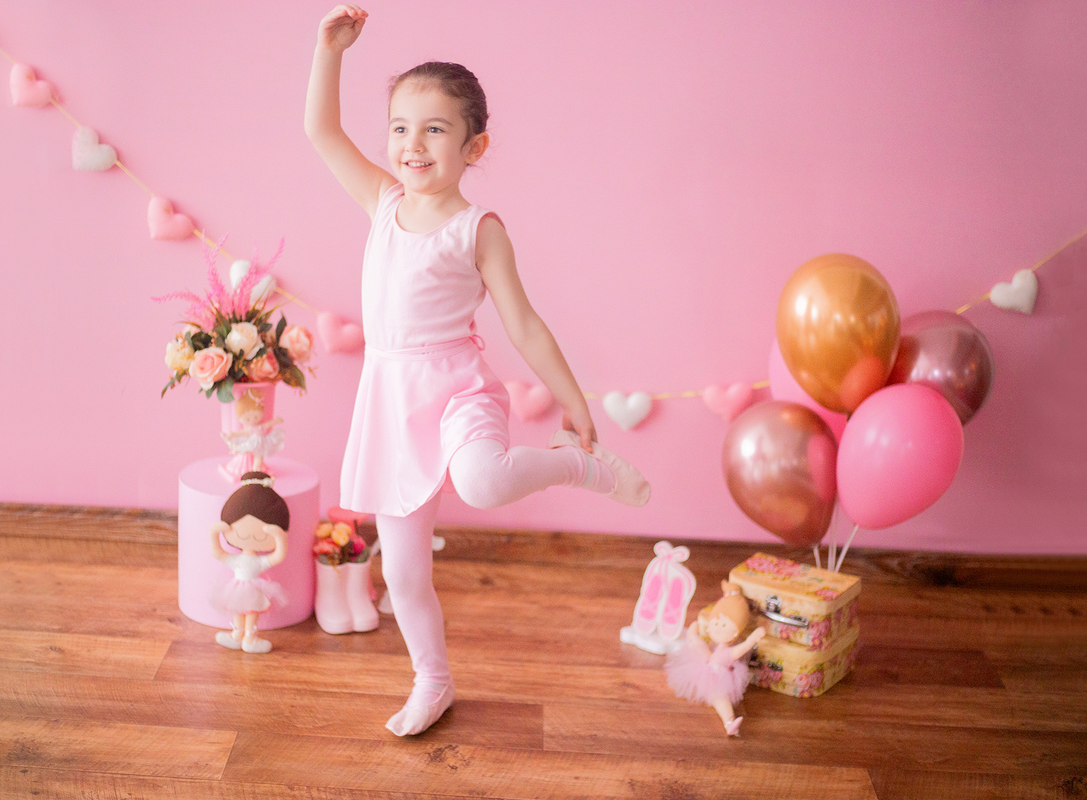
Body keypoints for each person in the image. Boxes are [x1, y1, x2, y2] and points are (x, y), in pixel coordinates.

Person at [304, 4, 651, 736]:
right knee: (400, 576)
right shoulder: (383, 201)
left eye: (434, 128)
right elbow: (320, 131)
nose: (412, 143)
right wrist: (329, 50)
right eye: (400, 127)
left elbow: (524, 324)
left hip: (456, 388)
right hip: (391, 400)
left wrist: (573, 401)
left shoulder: (478, 229)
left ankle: (577, 469)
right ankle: (433, 680)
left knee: (485, 480)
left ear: (473, 144)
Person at [665, 581, 766, 736]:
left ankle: (729, 722)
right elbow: (697, 645)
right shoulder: (713, 649)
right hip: (704, 669)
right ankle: (729, 722)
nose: (718, 627)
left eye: (724, 625)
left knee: (721, 700)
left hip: (717, 677)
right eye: (716, 622)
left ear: (735, 633)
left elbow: (741, 649)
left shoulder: (727, 652)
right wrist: (693, 633)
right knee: (699, 646)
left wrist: (751, 640)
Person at [209, 471, 290, 654]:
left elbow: (278, 556)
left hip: (254, 588)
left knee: (251, 611)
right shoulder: (238, 560)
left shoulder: (258, 561)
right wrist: (214, 532)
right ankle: (237, 635)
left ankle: (250, 638)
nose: (249, 535)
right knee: (238, 609)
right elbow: (218, 553)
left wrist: (279, 536)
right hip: (237, 589)